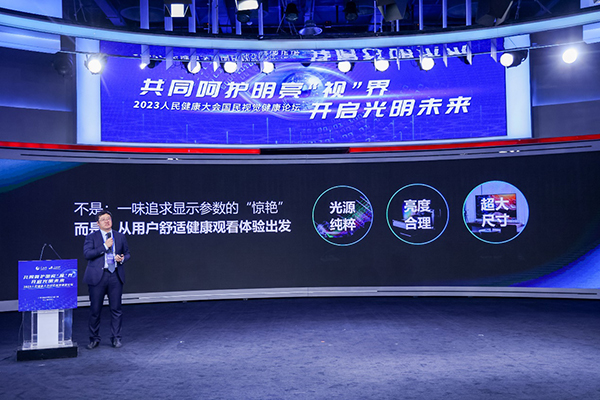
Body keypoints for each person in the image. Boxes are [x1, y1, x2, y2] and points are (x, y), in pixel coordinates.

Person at [83, 210, 130, 349]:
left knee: (116, 309)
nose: (107, 221)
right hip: (98, 277)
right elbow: (87, 254)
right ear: (98, 223)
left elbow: (127, 253)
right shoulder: (91, 237)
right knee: (95, 310)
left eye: (108, 218)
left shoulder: (120, 236)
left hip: (115, 275)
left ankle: (116, 338)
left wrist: (122, 259)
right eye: (103, 219)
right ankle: (94, 339)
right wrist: (105, 246)